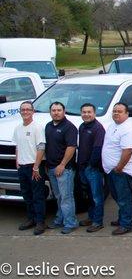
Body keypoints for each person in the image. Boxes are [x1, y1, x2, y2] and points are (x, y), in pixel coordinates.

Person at [103, 102, 132, 235]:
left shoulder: (128, 128)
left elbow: (128, 150)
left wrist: (119, 167)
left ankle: (127, 224)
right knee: (117, 196)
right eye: (114, 111)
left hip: (122, 171)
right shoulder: (113, 125)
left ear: (127, 114)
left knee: (124, 198)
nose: (116, 113)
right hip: (111, 170)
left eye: (119, 111)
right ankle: (122, 218)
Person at [13, 101, 46, 235]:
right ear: (20, 112)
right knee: (27, 195)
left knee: (37, 195)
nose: (25, 112)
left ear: (33, 112)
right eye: (23, 110)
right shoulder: (18, 128)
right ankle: (31, 218)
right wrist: (17, 161)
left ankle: (40, 222)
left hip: (34, 167)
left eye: (28, 109)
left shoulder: (37, 127)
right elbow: (17, 146)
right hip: (22, 167)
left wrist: (36, 167)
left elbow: (41, 147)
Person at [45, 101, 79, 234]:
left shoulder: (69, 127)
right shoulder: (48, 126)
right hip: (51, 168)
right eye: (53, 110)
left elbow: (71, 147)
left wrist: (62, 165)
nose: (56, 112)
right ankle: (60, 219)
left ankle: (70, 223)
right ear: (50, 112)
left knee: (66, 197)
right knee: (58, 196)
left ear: (64, 112)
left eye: (59, 110)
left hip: (64, 169)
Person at [77, 103, 106, 233]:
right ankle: (91, 217)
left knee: (96, 196)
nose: (86, 114)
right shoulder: (82, 127)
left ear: (94, 113)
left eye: (89, 112)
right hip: (83, 167)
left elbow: (98, 148)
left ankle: (97, 222)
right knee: (89, 195)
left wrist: (91, 165)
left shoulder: (98, 128)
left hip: (93, 168)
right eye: (84, 112)